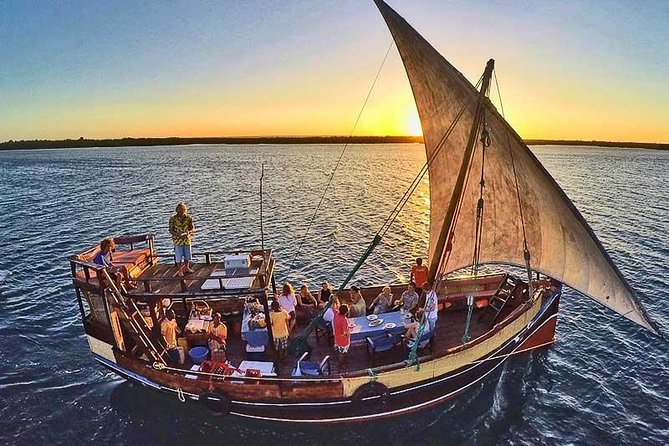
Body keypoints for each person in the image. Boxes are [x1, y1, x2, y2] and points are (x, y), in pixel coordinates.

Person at [169, 202, 195, 276]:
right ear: (177, 210)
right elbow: (170, 230)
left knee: (187, 255)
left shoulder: (189, 218)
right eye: (180, 209)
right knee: (178, 256)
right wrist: (176, 234)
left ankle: (187, 267)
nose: (181, 211)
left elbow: (192, 228)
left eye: (183, 209)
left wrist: (189, 232)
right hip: (178, 240)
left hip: (186, 239)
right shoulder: (173, 219)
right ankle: (180, 270)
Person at [332, 304, 351, 370]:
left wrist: (334, 299)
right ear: (346, 312)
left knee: (340, 351)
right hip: (343, 341)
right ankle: (341, 365)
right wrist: (348, 332)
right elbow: (344, 332)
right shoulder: (344, 320)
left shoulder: (336, 314)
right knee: (342, 353)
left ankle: (342, 363)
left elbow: (333, 307)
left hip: (336, 338)